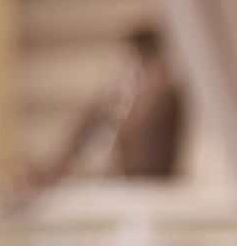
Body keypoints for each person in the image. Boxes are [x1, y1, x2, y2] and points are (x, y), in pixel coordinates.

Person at [27, 24, 185, 187]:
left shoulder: (160, 90)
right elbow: (86, 127)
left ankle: (52, 171)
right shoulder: (128, 92)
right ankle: (51, 171)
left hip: (148, 185)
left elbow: (145, 157)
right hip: (129, 183)